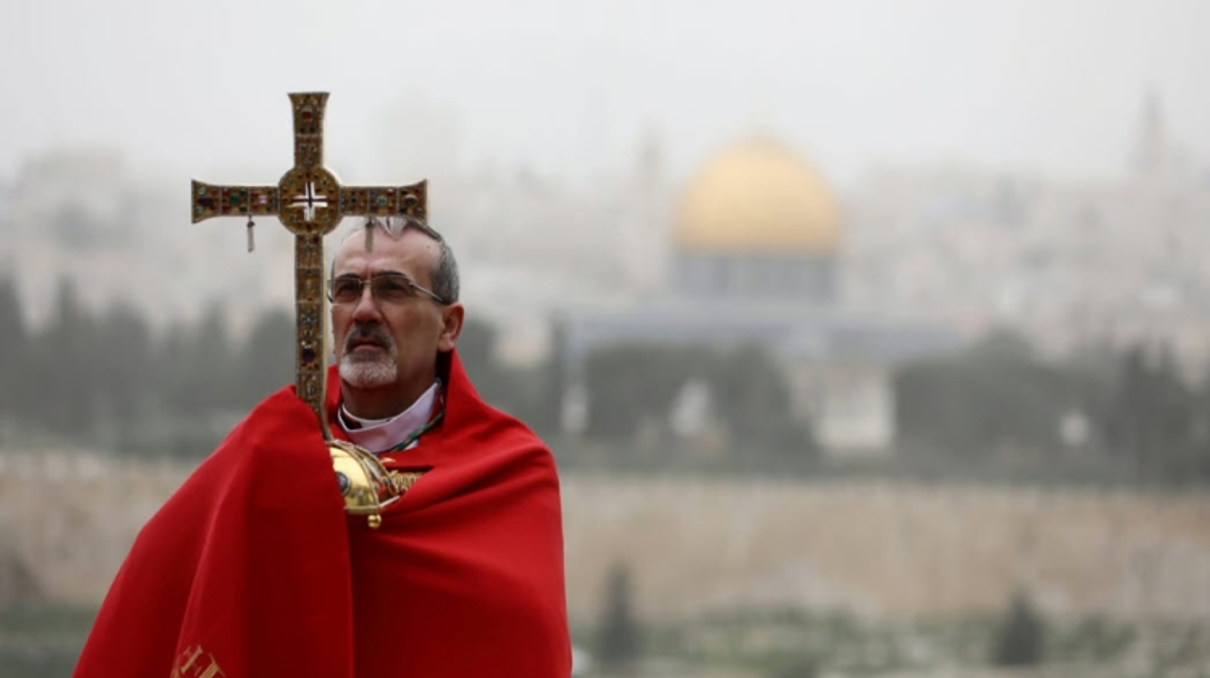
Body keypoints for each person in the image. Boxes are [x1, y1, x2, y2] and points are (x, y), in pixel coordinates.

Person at [73, 217, 571, 678]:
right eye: (348, 290)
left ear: (449, 325)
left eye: (393, 289)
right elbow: (160, 584)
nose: (365, 310)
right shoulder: (266, 445)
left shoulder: (511, 470)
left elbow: (523, 643)